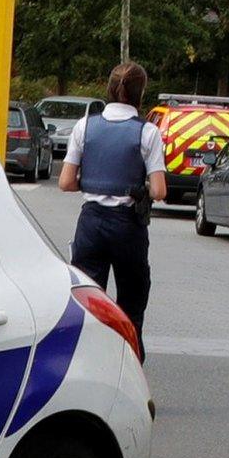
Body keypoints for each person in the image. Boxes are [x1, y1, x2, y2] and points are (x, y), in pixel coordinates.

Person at [61, 61, 167, 352]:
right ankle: (130, 362)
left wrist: (96, 182)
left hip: (91, 224)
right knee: (132, 302)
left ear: (109, 89)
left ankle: (87, 360)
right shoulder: (147, 133)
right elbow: (158, 190)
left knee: (88, 302)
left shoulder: (85, 126)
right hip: (127, 225)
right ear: (140, 92)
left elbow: (66, 182)